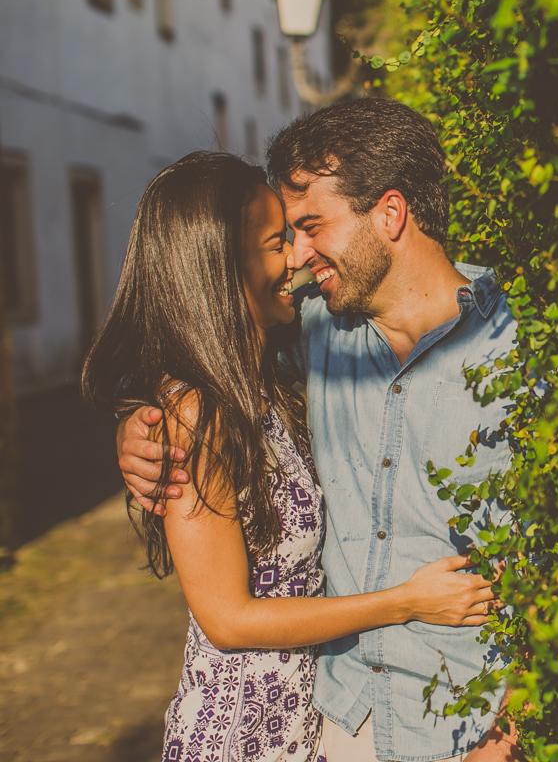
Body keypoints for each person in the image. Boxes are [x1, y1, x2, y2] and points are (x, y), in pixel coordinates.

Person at [117, 100, 522, 762]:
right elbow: (204, 359)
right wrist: (138, 429)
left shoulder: (518, 347)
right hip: (337, 725)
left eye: (309, 227)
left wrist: (505, 733)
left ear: (390, 214)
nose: (299, 257)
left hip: (465, 728)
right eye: (284, 237)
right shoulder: (308, 334)